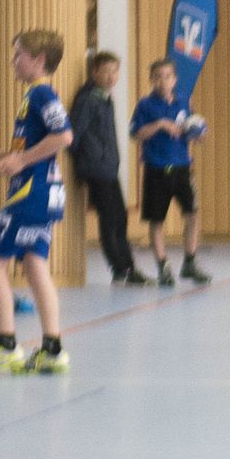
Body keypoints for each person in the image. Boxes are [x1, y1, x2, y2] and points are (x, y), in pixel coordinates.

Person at [0, 30, 72, 375]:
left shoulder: (42, 93)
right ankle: (52, 348)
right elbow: (30, 149)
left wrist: (22, 160)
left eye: (19, 55)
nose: (13, 61)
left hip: (31, 193)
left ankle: (7, 345)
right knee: (34, 264)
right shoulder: (33, 95)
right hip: (43, 191)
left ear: (39, 60)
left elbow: (63, 136)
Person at [130, 59, 210, 286]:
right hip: (156, 169)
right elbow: (136, 133)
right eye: (157, 77)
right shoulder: (145, 105)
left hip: (182, 167)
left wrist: (198, 133)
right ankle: (163, 266)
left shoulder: (183, 103)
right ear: (151, 80)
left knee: (193, 214)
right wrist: (160, 125)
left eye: (167, 76)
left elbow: (192, 128)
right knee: (157, 221)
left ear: (174, 79)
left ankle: (190, 262)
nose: (162, 81)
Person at [71, 52, 146, 285]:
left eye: (115, 71)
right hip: (96, 168)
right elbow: (74, 134)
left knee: (119, 217)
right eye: (106, 71)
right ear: (94, 72)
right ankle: (123, 268)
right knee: (111, 218)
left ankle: (124, 268)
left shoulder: (105, 97)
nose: (111, 76)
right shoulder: (88, 99)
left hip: (108, 167)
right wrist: (86, 161)